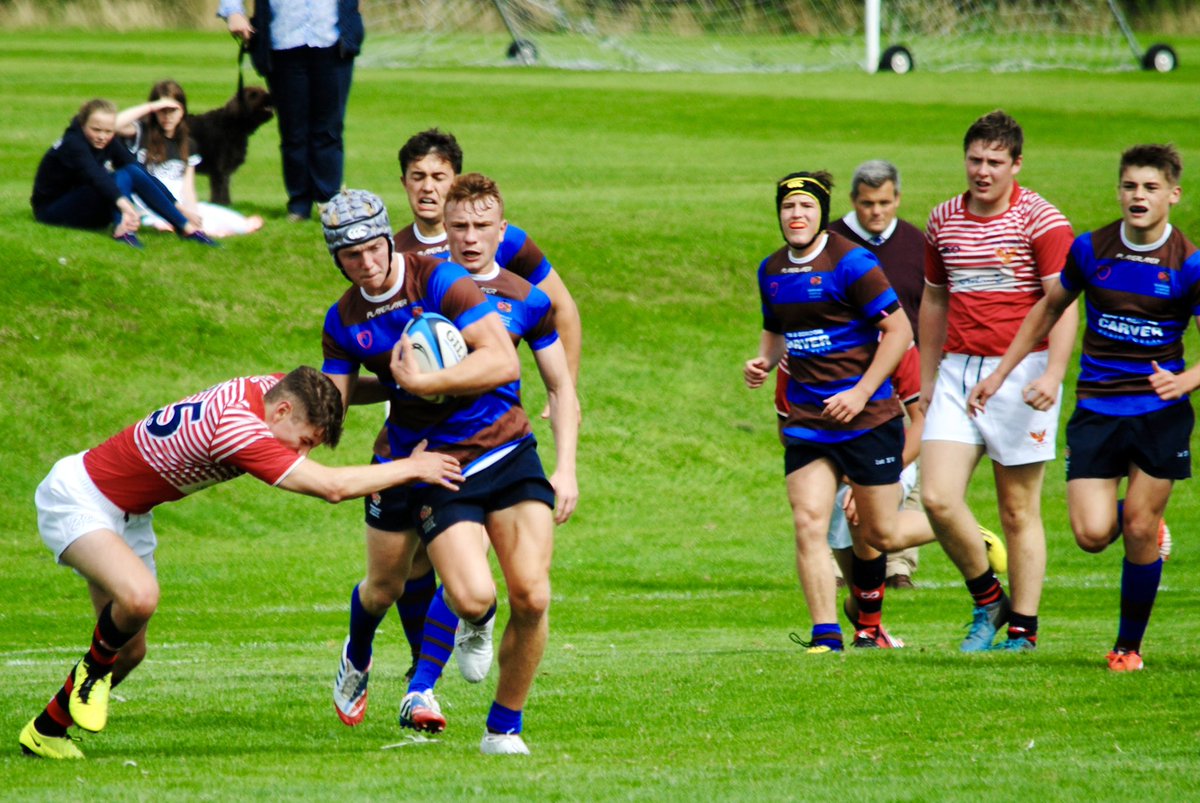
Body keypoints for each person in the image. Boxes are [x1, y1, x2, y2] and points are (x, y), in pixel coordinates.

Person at [17, 366, 462, 760]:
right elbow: (331, 487)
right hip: (79, 496)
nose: (301, 454)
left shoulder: (271, 391)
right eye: (304, 441)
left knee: (130, 650)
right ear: (283, 410)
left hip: (130, 513)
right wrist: (413, 467)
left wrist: (406, 387)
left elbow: (338, 390)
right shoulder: (239, 430)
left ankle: (46, 731)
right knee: (139, 598)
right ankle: (91, 673)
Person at [319, 189, 555, 754]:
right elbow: (336, 400)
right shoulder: (343, 319)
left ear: (387, 240)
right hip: (421, 458)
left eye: (375, 249)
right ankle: (359, 657)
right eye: (352, 258)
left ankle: (502, 730)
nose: (368, 265)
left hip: (502, 446)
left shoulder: (441, 280)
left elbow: (500, 359)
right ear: (337, 260)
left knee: (533, 596)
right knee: (389, 587)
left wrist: (425, 382)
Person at [968, 144, 1198, 671]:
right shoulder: (1091, 249)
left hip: (1159, 414)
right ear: (1118, 190)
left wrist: (1185, 380)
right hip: (1097, 408)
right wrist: (999, 374)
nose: (1138, 196)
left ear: (1172, 194)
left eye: (1150, 188)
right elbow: (1047, 310)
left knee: (1138, 528)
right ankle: (1145, 522)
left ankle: (1127, 647)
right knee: (1092, 534)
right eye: (1130, 187)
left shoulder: (1188, 262)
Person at [382, 128, 583, 679]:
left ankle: (440, 667)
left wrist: (566, 465)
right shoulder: (414, 277)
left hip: (498, 447)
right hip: (425, 443)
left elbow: (561, 363)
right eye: (459, 227)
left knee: (517, 587)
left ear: (501, 229)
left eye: (481, 227)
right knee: (409, 564)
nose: (471, 237)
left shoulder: (524, 288)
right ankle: (425, 661)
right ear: (443, 228)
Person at [919, 109, 1077, 653]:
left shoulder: (1043, 221)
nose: (982, 171)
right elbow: (935, 299)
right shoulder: (943, 220)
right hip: (958, 371)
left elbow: (1063, 303)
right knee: (937, 498)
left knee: (1017, 509)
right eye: (974, 160)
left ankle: (1022, 631)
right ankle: (988, 598)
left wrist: (1054, 373)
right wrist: (926, 375)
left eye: (994, 162)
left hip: (1025, 372)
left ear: (1016, 164)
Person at [744, 171, 913, 653]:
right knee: (808, 520)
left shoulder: (851, 262)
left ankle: (966, 533)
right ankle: (825, 635)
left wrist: (860, 393)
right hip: (809, 421)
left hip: (867, 419)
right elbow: (776, 333)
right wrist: (763, 362)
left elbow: (899, 332)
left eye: (806, 207)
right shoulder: (772, 269)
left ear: (821, 213)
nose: (796, 215)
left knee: (879, 531)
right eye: (788, 207)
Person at [827, 159, 1007, 588]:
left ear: (898, 200)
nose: (876, 211)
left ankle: (899, 567)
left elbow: (935, 302)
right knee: (841, 491)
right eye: (867, 203)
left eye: (885, 202)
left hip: (902, 370)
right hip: (843, 368)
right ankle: (846, 573)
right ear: (854, 201)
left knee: (896, 478)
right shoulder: (830, 243)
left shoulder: (915, 243)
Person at [219, 0, 362, 221]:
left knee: (329, 130)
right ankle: (298, 205)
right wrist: (234, 12)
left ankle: (329, 203)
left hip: (332, 40)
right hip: (283, 41)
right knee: (293, 132)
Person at [31, 98, 217, 249]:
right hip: (52, 210)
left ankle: (186, 228)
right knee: (120, 176)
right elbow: (95, 176)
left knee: (132, 171)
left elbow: (141, 173)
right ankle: (124, 231)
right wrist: (126, 206)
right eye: (96, 130)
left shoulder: (108, 141)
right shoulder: (73, 143)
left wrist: (179, 206)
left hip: (84, 203)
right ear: (82, 124)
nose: (102, 136)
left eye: (108, 131)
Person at [116, 79, 264, 238]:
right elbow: (114, 125)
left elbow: (188, 188)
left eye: (173, 110)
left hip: (180, 206)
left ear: (182, 110)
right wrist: (151, 107)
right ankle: (193, 228)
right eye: (162, 110)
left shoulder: (187, 144)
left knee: (235, 221)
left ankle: (204, 227)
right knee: (162, 221)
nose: (167, 116)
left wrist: (193, 213)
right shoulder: (140, 133)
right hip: (150, 209)